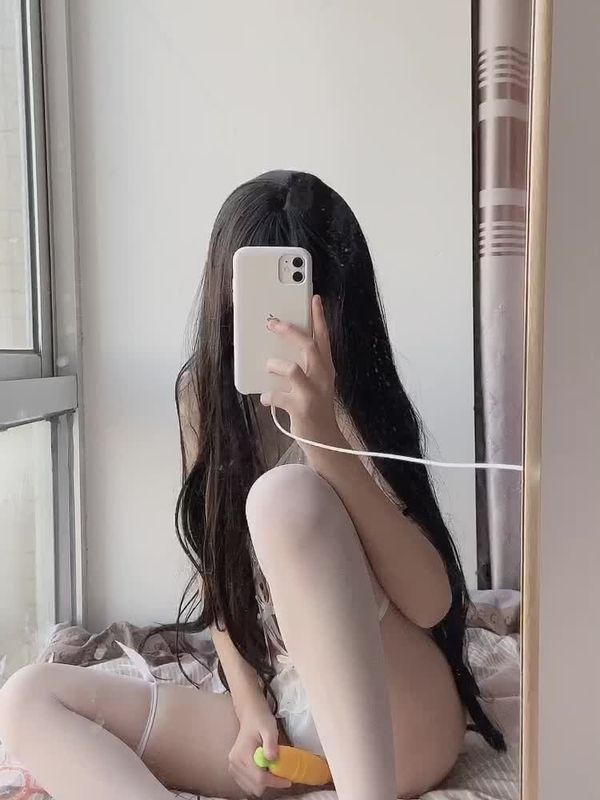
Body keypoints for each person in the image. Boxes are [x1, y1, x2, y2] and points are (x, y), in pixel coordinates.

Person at [0, 170, 504, 800]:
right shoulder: (203, 398)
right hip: (290, 712)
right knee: (27, 697)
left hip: (398, 717)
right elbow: (222, 575)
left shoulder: (359, 399)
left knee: (282, 499)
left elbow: (430, 604)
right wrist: (247, 707)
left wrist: (322, 434)